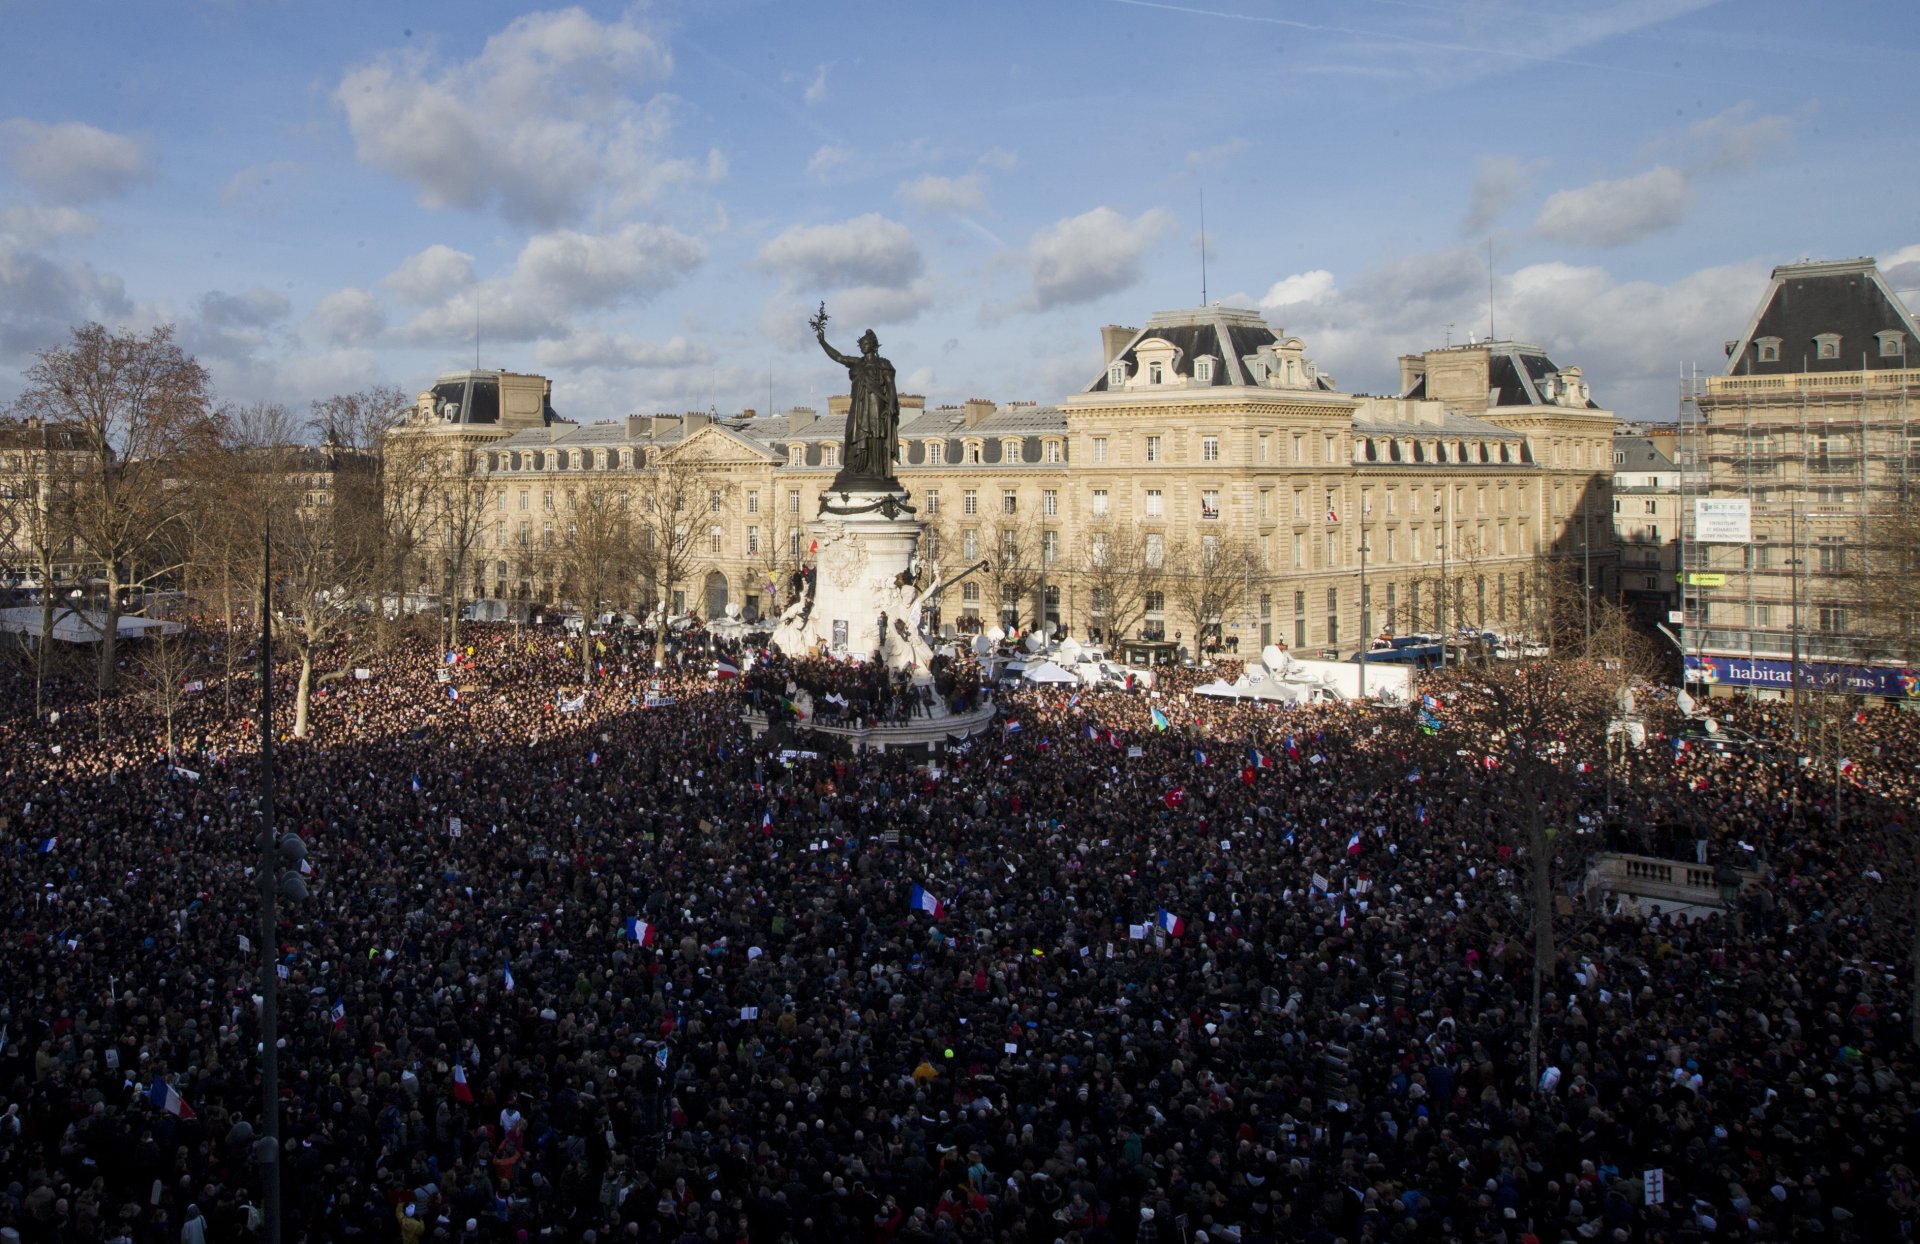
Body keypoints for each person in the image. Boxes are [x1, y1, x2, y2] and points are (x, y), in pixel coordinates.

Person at [812, 305, 899, 486]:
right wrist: (823, 342)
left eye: (866, 343)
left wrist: (892, 405)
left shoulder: (883, 364)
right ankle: (856, 467)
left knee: (874, 435)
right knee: (852, 431)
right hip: (858, 404)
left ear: (873, 345)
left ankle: (876, 469)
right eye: (861, 344)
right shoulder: (856, 363)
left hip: (876, 403)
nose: (863, 346)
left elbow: (891, 387)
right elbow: (839, 357)